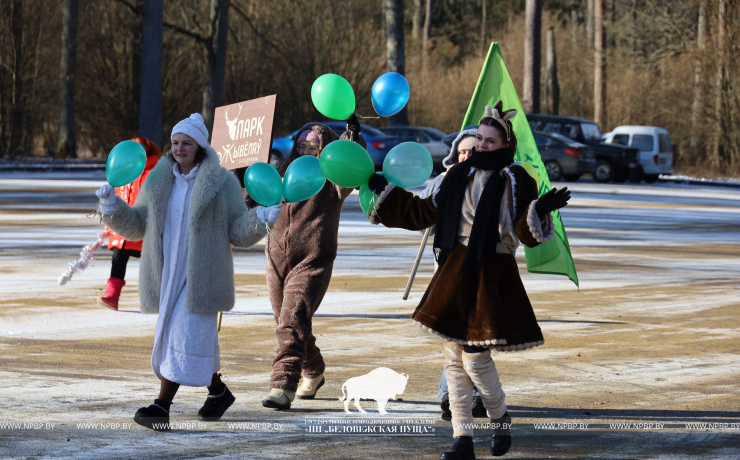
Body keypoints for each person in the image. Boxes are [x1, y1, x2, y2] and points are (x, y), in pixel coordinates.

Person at [367, 101, 570, 458]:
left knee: (475, 360)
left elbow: (523, 229)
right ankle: (462, 438)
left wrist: (540, 210)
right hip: (453, 269)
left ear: (505, 145)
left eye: (490, 141)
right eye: (480, 140)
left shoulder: (515, 176)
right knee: (453, 360)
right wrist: (384, 192)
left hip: (491, 270)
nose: (482, 146)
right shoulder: (457, 176)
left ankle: (500, 417)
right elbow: (422, 212)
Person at [95, 113, 282, 430]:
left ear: (200, 146)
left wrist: (260, 217)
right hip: (168, 275)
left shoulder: (221, 184)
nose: (179, 149)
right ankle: (218, 392)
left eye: (187, 143)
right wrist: (112, 207)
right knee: (193, 338)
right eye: (175, 143)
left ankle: (161, 406)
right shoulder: (158, 180)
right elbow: (138, 224)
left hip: (202, 277)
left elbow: (237, 230)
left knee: (183, 335)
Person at [258, 116, 367, 410]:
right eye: (303, 145)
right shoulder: (283, 174)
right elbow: (252, 197)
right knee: (286, 321)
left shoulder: (334, 181)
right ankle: (314, 370)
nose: (308, 151)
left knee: (292, 322)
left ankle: (282, 385)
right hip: (276, 255)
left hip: (313, 259)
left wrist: (352, 139)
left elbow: (353, 165)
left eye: (314, 147)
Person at [418, 128, 486, 421]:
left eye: (474, 151)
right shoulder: (442, 182)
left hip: (481, 269)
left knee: (472, 337)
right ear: (454, 154)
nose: (467, 155)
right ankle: (459, 395)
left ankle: (465, 395)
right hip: (446, 270)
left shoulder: (492, 182)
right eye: (462, 151)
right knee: (456, 336)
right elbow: (420, 213)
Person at [97, 138, 161, 310]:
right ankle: (112, 296)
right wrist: (110, 219)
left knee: (149, 263)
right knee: (118, 259)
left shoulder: (155, 173)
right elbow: (116, 195)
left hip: (144, 226)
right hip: (122, 228)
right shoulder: (124, 172)